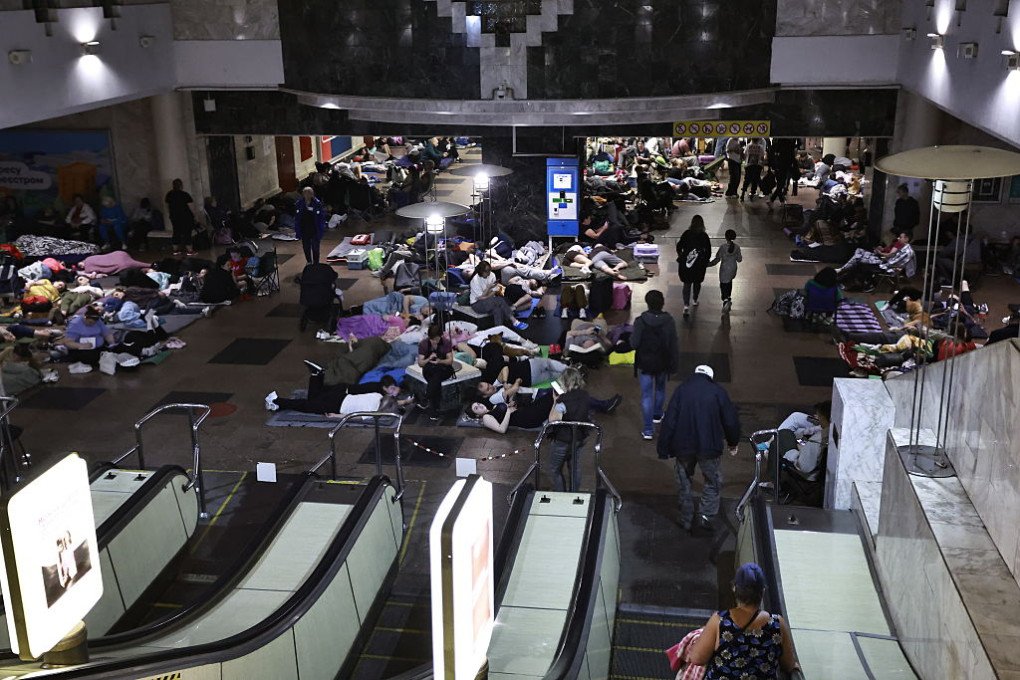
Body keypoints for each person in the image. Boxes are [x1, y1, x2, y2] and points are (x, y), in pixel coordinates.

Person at [657, 365, 740, 535]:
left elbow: (670, 420)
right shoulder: (718, 392)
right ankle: (706, 517)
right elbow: (730, 421)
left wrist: (663, 448)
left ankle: (685, 518)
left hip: (683, 447)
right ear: (711, 376)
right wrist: (733, 442)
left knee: (684, 480)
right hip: (709, 448)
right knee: (712, 480)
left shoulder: (682, 390)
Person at [688, 562, 800, 679]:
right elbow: (788, 664)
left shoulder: (720, 621)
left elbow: (697, 658)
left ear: (734, 588)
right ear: (763, 591)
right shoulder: (777, 624)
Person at [632, 290, 679, 441]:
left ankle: (647, 430)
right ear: (662, 302)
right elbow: (673, 345)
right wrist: (674, 364)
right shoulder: (669, 321)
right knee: (660, 389)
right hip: (662, 362)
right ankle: (657, 415)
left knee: (646, 395)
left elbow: (634, 343)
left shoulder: (640, 321)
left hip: (645, 363)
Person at [266, 373, 411, 415]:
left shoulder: (377, 396)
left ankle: (316, 376)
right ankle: (277, 401)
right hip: (337, 405)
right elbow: (353, 417)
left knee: (312, 401)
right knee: (307, 405)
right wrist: (336, 417)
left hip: (341, 397)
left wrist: (403, 402)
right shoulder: (372, 412)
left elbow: (390, 401)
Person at [545, 367, 591, 492]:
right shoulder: (585, 395)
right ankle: (574, 494)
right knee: (574, 467)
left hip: (563, 440)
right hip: (580, 437)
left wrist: (555, 401)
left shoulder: (562, 401)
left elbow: (552, 420)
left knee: (555, 469)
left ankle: (561, 494)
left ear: (564, 382)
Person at [836, 232, 916, 290]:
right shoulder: (903, 246)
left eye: (901, 237)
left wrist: (881, 255)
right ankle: (844, 278)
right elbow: (892, 256)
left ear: (906, 239)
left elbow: (892, 259)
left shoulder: (907, 251)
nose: (898, 238)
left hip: (885, 265)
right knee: (859, 254)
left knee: (859, 261)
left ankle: (843, 277)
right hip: (884, 261)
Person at [777, 401, 831, 481]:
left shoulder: (817, 439)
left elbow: (803, 466)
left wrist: (799, 449)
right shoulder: (835, 432)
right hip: (815, 462)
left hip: (810, 473)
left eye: (819, 416)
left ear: (823, 417)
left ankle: (776, 486)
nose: (818, 419)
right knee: (790, 432)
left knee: (781, 436)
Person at [470, 261, 528, 332]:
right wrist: (488, 288)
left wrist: (487, 295)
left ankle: (499, 331)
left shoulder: (492, 275)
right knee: (499, 300)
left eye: (489, 270)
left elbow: (494, 291)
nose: (489, 273)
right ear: (481, 271)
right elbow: (480, 297)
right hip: (477, 304)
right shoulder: (475, 280)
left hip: (490, 300)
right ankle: (515, 321)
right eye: (487, 271)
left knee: (497, 309)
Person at [417, 322, 455, 421]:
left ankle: (426, 399)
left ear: (441, 336)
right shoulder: (424, 344)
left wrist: (440, 361)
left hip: (444, 369)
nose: (434, 342)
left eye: (436, 339)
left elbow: (450, 361)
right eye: (432, 339)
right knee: (435, 379)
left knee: (436, 376)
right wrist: (429, 359)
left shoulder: (446, 342)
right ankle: (433, 409)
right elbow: (420, 363)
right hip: (429, 369)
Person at [676, 215, 712, 316]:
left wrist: (682, 256)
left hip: (687, 264)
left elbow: (679, 246)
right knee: (697, 283)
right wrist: (705, 261)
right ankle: (695, 299)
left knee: (686, 284)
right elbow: (708, 251)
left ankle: (686, 305)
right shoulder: (704, 236)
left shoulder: (687, 234)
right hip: (699, 265)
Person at [708, 229, 742, 313]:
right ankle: (729, 296)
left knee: (723, 284)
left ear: (726, 237)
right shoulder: (737, 247)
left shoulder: (723, 247)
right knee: (729, 282)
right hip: (733, 268)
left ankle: (725, 300)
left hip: (724, 269)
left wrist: (708, 264)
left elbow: (717, 259)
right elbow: (739, 259)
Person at [165, 179, 197, 256]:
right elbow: (191, 206)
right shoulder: (185, 194)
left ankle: (175, 250)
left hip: (174, 216)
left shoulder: (169, 194)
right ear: (181, 185)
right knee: (187, 232)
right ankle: (190, 250)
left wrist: (170, 213)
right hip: (186, 216)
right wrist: (195, 215)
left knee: (176, 232)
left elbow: (167, 206)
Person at [295, 187, 327, 264]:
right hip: (304, 229)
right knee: (306, 247)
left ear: (312, 194)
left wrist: (322, 228)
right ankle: (309, 261)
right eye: (305, 193)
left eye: (309, 193)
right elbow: (297, 218)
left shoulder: (317, 203)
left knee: (315, 247)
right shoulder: (299, 203)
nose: (307, 195)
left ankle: (316, 262)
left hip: (314, 229)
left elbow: (321, 217)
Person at [362, 291, 430, 320]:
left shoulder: (421, 316)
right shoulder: (423, 301)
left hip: (399, 312)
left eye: (426, 314)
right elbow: (407, 297)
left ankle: (365, 316)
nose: (425, 312)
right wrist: (407, 312)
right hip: (399, 301)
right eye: (427, 311)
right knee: (379, 305)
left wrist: (405, 315)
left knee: (384, 316)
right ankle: (360, 308)